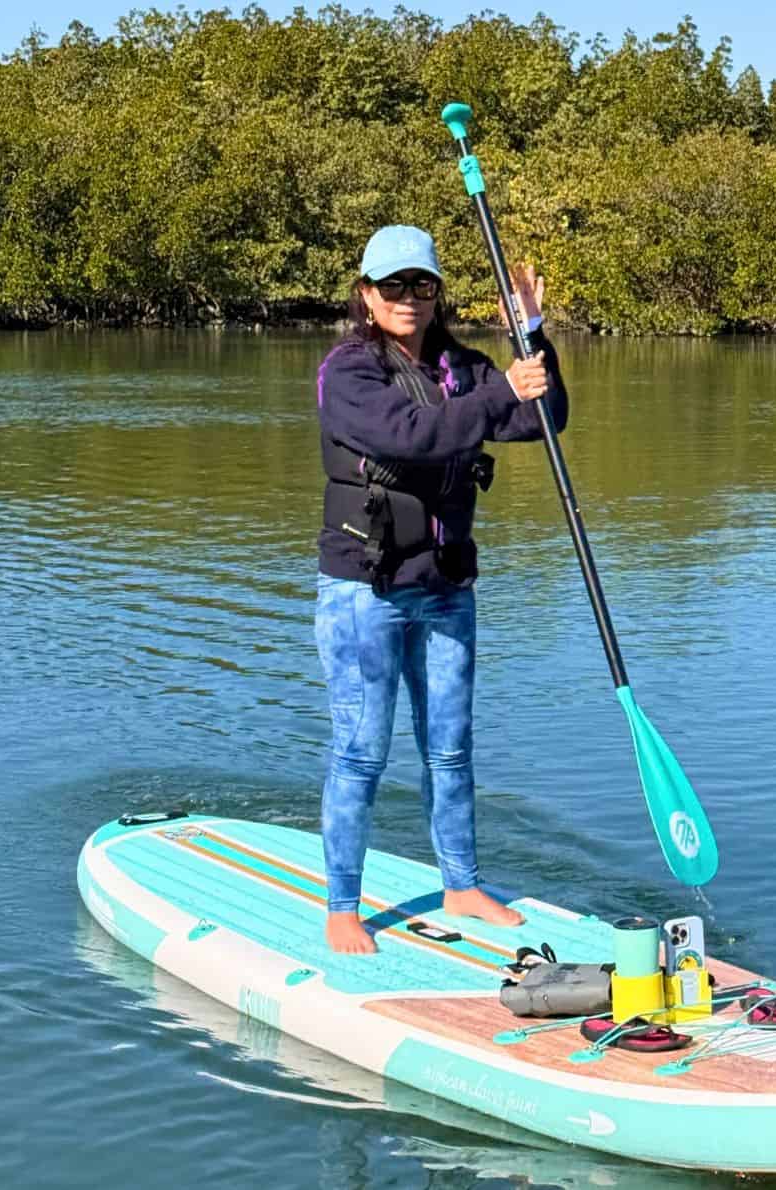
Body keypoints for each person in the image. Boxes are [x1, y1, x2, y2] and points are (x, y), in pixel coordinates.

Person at [314, 224, 567, 955]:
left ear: (436, 292)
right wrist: (500, 398)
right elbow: (411, 436)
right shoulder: (348, 372)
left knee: (451, 750)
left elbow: (543, 417)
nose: (408, 299)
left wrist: (531, 339)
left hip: (448, 583)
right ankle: (341, 906)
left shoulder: (465, 366)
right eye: (391, 286)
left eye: (420, 285)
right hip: (367, 589)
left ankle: (461, 883)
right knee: (361, 751)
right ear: (366, 293)